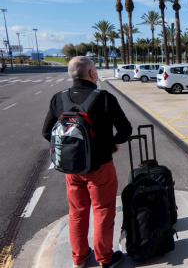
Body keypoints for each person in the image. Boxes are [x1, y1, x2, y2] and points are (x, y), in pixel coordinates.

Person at [42, 56, 132, 268]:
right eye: (95, 70)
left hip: (71, 169)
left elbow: (47, 132)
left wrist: (71, 150)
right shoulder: (104, 98)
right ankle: (104, 259)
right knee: (102, 210)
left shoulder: (58, 98)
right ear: (92, 73)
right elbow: (125, 130)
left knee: (77, 212)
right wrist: (112, 143)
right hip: (100, 167)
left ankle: (79, 258)